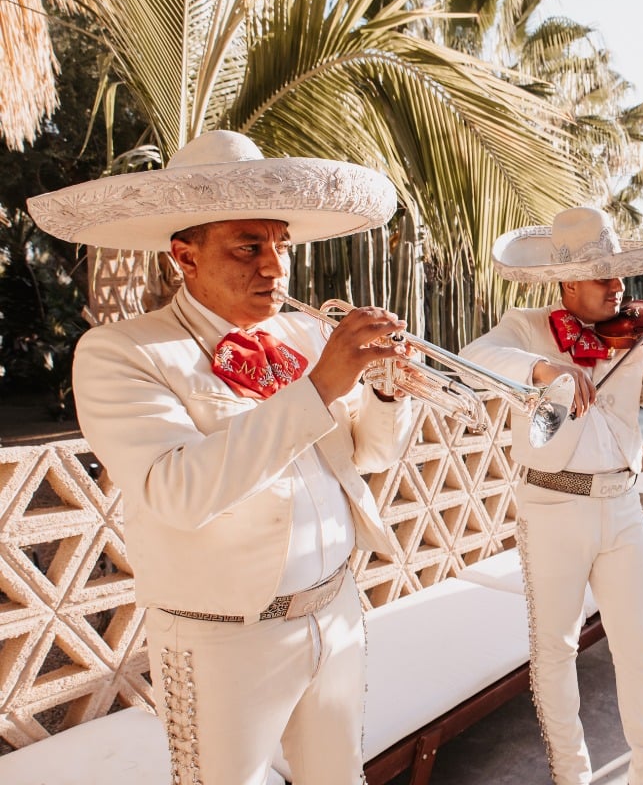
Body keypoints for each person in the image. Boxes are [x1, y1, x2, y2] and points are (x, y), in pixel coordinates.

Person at [26, 130, 414, 783]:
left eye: (279, 246)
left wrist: (382, 389)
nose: (274, 268)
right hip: (222, 638)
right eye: (247, 246)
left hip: (337, 610)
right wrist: (322, 384)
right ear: (185, 256)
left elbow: (370, 456)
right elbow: (178, 492)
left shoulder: (303, 331)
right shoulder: (122, 352)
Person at [460, 206, 643, 785]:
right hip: (552, 507)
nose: (619, 288)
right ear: (568, 282)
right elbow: (476, 360)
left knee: (640, 647)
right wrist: (544, 367)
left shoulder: (639, 338)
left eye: (621, 275)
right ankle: (571, 773)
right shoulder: (524, 326)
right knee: (556, 649)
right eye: (605, 277)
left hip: (623, 508)